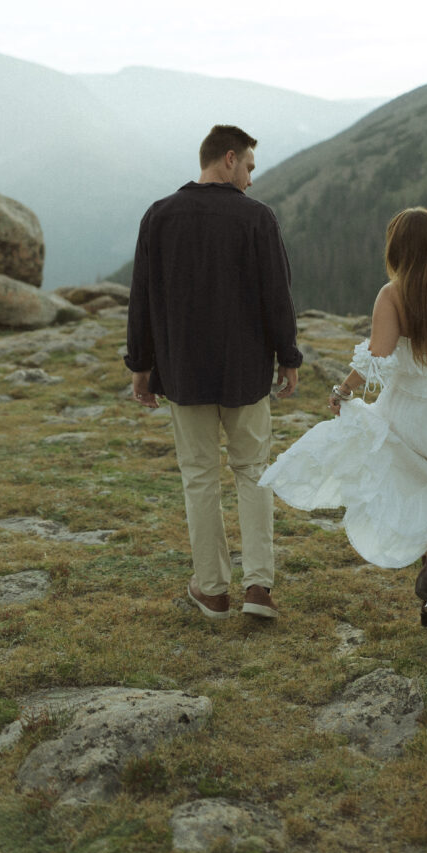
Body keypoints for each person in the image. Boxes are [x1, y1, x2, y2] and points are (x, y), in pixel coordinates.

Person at [259, 207, 427, 625]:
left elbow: (377, 356)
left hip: (407, 417)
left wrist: (342, 389)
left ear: (397, 251)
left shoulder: (392, 295)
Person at [125, 124, 302, 621]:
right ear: (228, 159)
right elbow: (277, 295)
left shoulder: (159, 216)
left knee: (200, 477)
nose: (249, 179)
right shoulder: (256, 218)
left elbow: (142, 298)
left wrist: (140, 366)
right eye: (248, 167)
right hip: (245, 372)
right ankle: (259, 589)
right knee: (254, 472)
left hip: (183, 372)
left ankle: (212, 590)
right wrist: (288, 357)